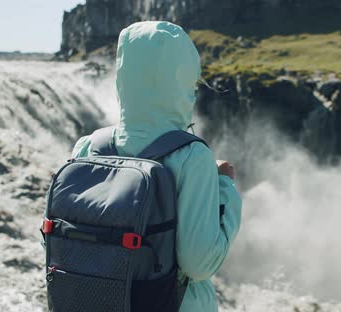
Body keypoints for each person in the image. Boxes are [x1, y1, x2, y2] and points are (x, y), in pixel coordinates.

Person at [69, 21, 242, 312]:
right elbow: (199, 264)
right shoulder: (191, 156)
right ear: (183, 78)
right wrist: (226, 187)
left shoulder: (89, 146)